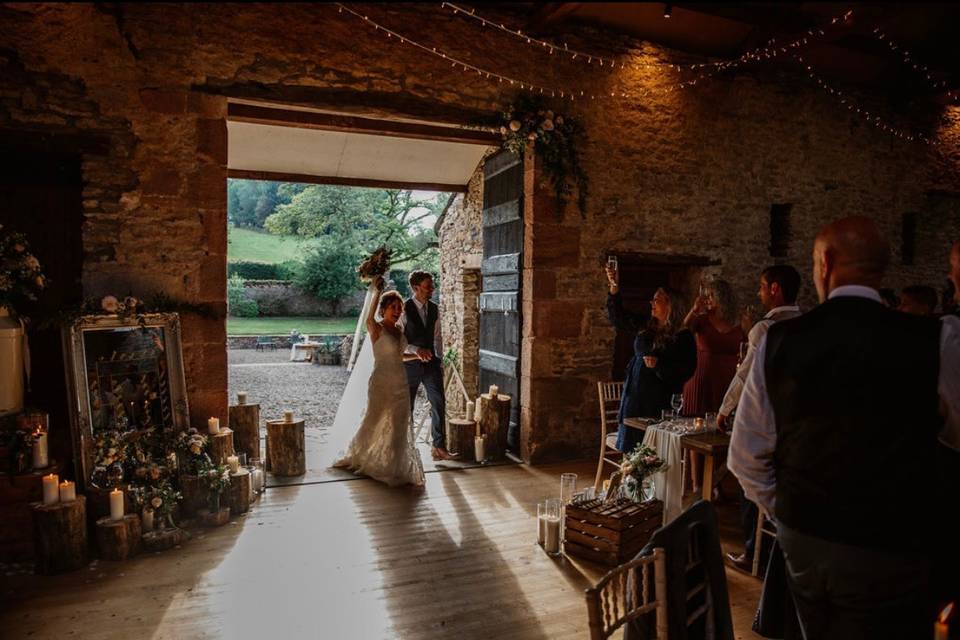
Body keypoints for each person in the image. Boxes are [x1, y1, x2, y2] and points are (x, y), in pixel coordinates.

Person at [729, 216, 960, 639]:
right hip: (893, 539)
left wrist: (788, 513)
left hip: (805, 538)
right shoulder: (936, 340)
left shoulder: (779, 341)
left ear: (825, 262)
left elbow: (745, 456)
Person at [716, 265, 802, 571]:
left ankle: (755, 553)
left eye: (762, 286)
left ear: (776, 289)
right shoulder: (806, 323)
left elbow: (745, 375)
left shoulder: (766, 329)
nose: (759, 292)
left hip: (768, 421)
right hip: (796, 425)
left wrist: (725, 409)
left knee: (749, 482)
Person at [333, 277, 425, 487]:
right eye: (393, 307)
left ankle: (394, 464)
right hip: (382, 381)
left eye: (400, 307)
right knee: (374, 420)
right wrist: (376, 291)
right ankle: (360, 455)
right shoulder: (376, 329)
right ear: (383, 310)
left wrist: (417, 355)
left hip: (400, 381)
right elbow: (368, 317)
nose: (398, 310)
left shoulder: (399, 331)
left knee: (399, 423)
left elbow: (399, 355)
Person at [605, 265, 697, 455]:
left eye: (657, 300)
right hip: (635, 395)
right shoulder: (646, 326)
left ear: (670, 305)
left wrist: (659, 366)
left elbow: (686, 370)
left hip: (659, 401)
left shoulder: (683, 336)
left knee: (654, 455)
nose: (651, 303)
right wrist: (614, 286)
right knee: (632, 455)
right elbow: (618, 318)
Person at [681, 279, 745, 493]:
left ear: (723, 298)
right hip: (700, 380)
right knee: (699, 433)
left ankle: (715, 482)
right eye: (706, 295)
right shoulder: (701, 320)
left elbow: (749, 348)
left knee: (720, 432)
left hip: (727, 383)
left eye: (711, 295)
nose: (707, 299)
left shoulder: (737, 322)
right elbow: (682, 330)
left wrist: (749, 327)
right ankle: (698, 485)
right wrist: (694, 309)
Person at [400, 271, 453, 461]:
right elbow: (397, 340)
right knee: (407, 409)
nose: (432, 289)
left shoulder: (435, 309)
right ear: (416, 288)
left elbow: (437, 337)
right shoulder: (403, 309)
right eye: (428, 286)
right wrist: (416, 350)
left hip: (431, 365)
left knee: (439, 403)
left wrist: (439, 359)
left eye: (432, 285)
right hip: (409, 366)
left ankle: (438, 447)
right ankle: (406, 449)